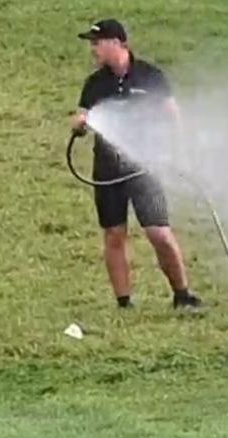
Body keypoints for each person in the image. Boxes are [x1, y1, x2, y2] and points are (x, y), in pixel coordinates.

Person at [68, 19, 204, 312]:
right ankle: (124, 302)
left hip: (145, 168)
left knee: (159, 233)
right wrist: (79, 125)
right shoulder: (95, 84)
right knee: (114, 234)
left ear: (118, 43)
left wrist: (177, 151)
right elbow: (82, 115)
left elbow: (172, 116)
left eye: (97, 43)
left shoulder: (150, 76)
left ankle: (182, 294)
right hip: (107, 171)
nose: (93, 49)